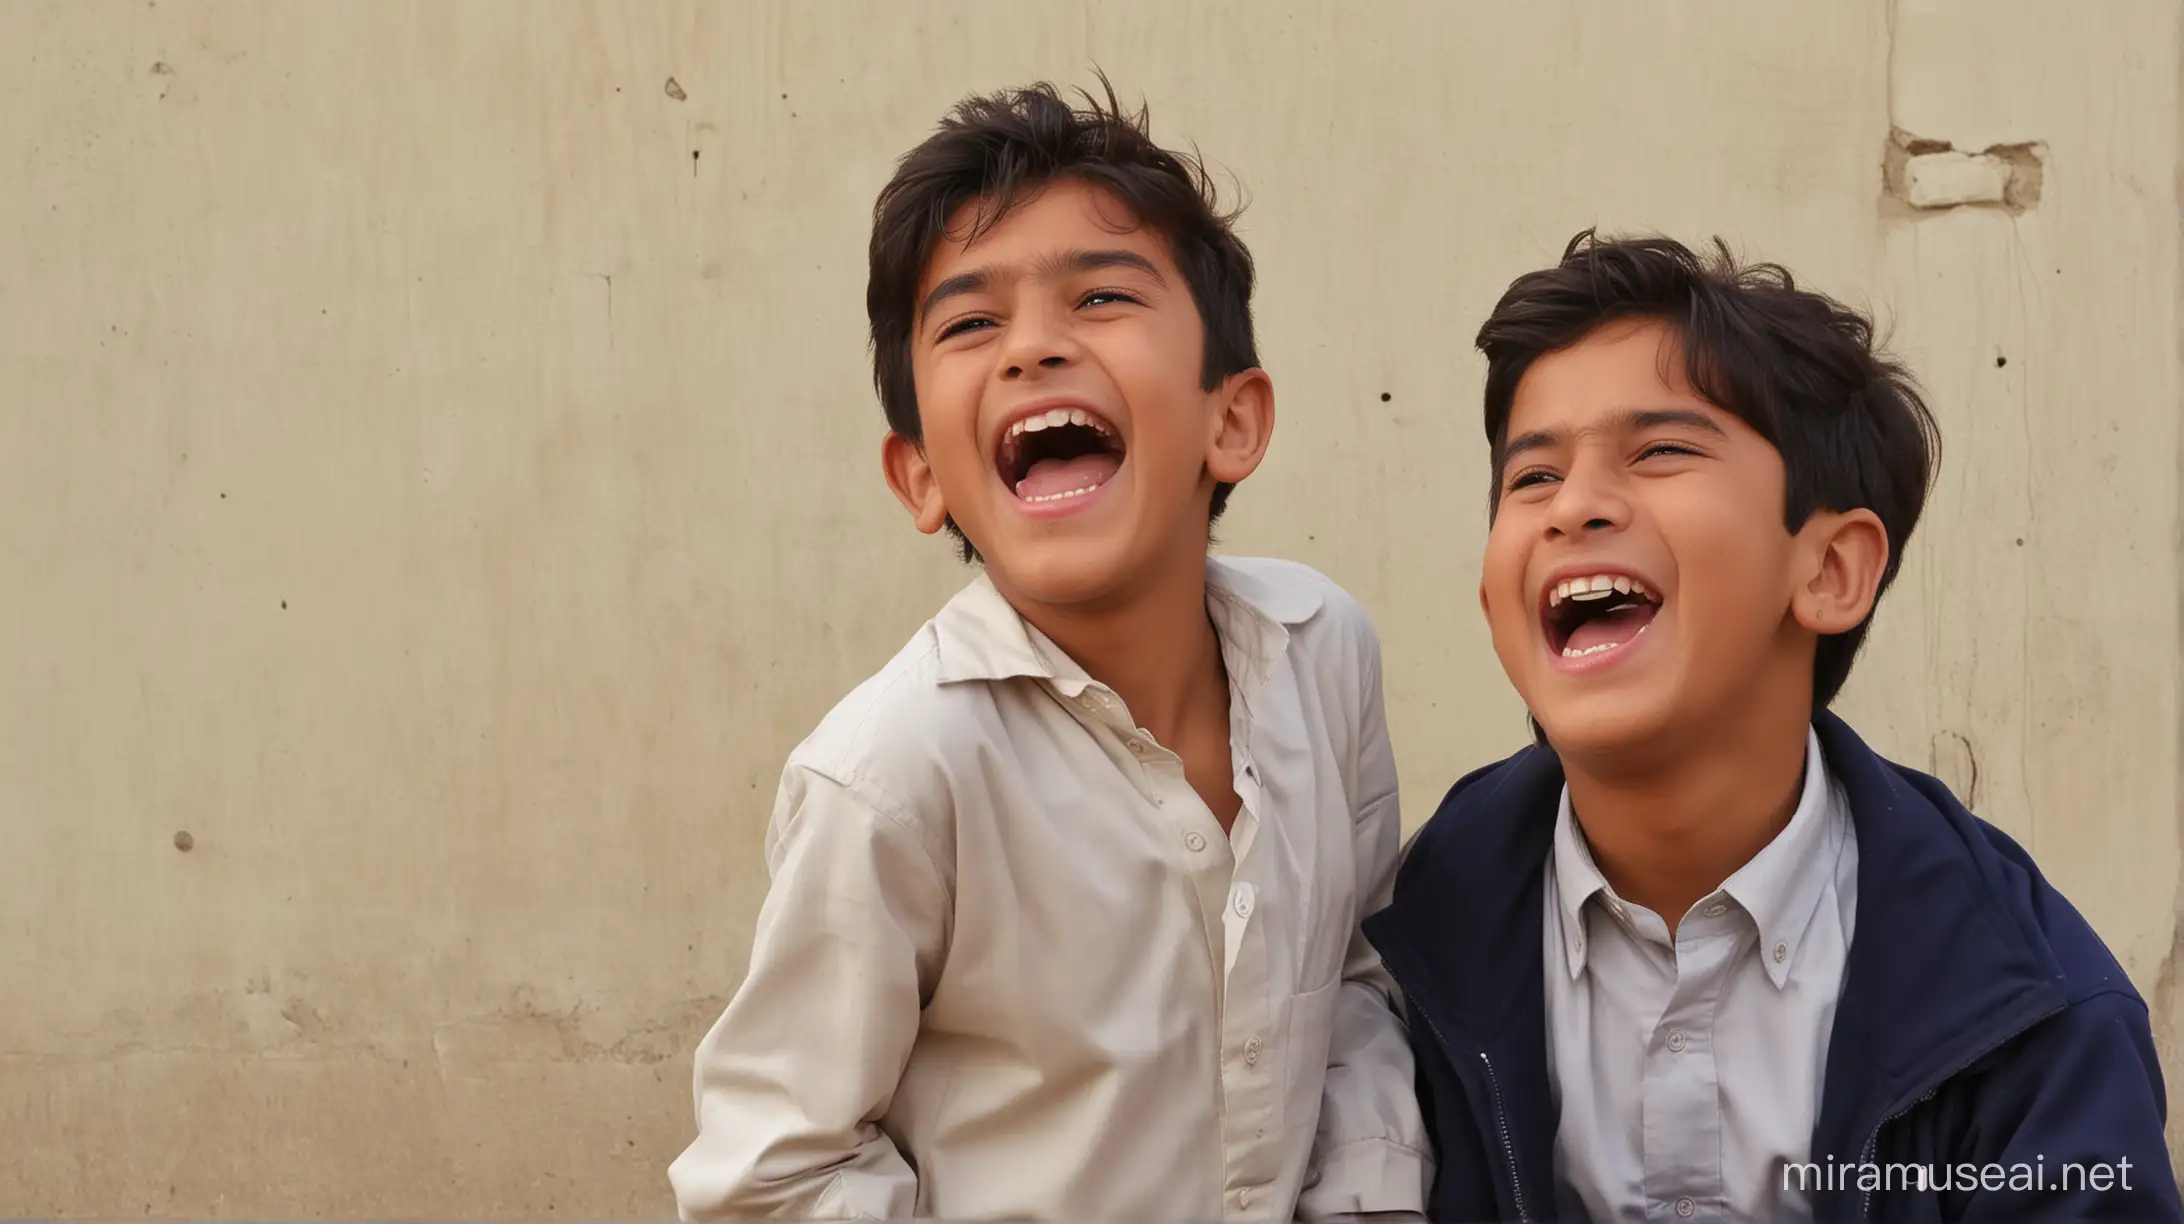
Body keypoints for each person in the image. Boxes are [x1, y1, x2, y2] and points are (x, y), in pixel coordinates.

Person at [667, 78, 1428, 1222]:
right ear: (921, 475)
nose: (1032, 346)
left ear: (1235, 421)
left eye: (1103, 296)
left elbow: (1358, 989)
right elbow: (773, 1173)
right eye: (971, 323)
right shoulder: (891, 777)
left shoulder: (1323, 653)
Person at [1362, 231, 2181, 1222]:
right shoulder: (1395, 951)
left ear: (1832, 570)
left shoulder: (2032, 1014)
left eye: (1660, 451)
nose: (1572, 505)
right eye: (1531, 477)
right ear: (1493, 601)